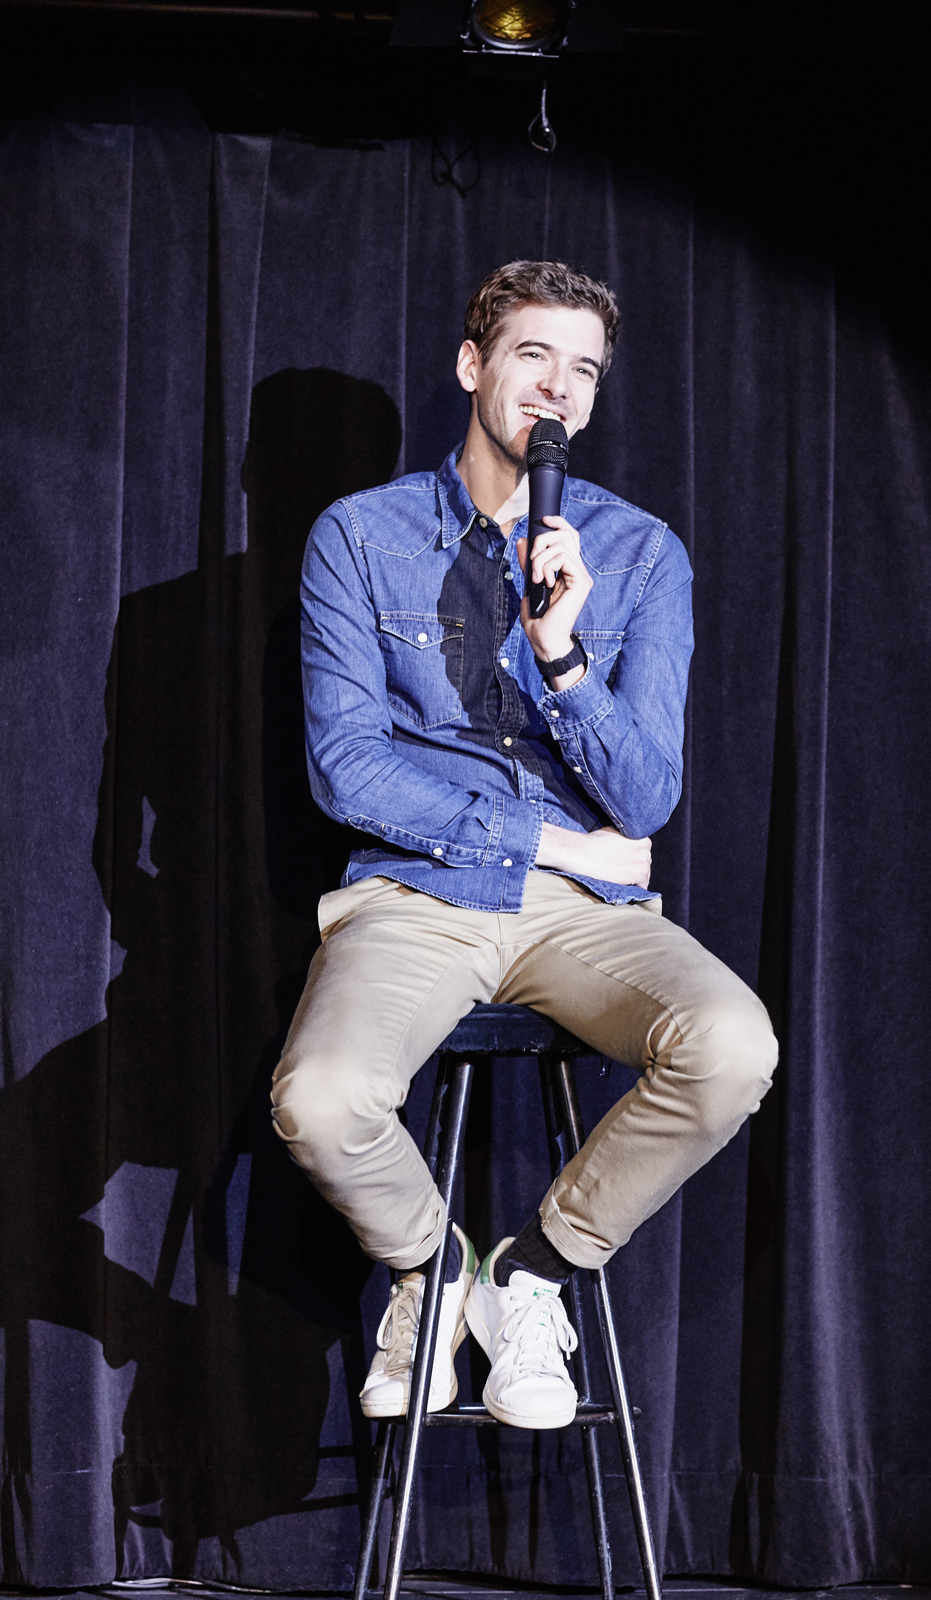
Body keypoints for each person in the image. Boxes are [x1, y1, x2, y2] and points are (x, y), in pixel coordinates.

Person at [271, 261, 778, 1431]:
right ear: (473, 366)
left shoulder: (639, 555)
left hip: (576, 916)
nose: (557, 387)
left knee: (729, 1046)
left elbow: (645, 794)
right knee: (323, 1099)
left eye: (581, 369)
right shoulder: (360, 536)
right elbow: (346, 767)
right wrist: (554, 839)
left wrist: (563, 657)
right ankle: (431, 1267)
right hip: (417, 891)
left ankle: (531, 1276)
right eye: (533, 356)